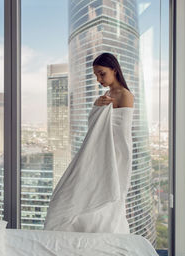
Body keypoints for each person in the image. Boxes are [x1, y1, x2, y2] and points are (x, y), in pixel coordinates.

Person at [44, 52, 135, 233]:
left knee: (109, 190)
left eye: (102, 73)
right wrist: (97, 107)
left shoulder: (125, 95)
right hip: (100, 151)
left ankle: (103, 232)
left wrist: (101, 108)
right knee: (78, 188)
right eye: (96, 75)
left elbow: (121, 131)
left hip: (116, 153)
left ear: (114, 70)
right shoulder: (106, 95)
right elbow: (95, 125)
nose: (99, 79)